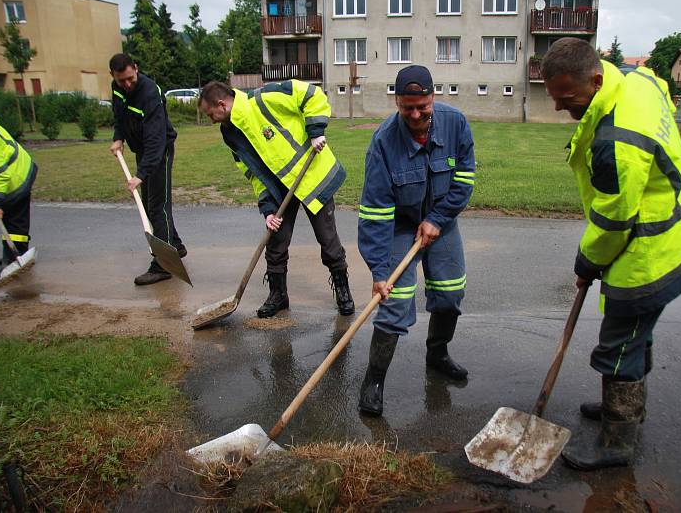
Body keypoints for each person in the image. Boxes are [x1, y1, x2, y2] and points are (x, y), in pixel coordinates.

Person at [540, 38, 681, 470]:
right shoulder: (634, 79)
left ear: (595, 80)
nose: (559, 108)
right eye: (554, 97)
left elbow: (614, 220)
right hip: (670, 223)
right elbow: (662, 90)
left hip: (652, 248)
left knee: (620, 342)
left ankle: (618, 440)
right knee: (636, 336)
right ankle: (626, 405)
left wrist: (587, 262)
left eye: (567, 97)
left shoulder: (615, 142)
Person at [357, 65, 475, 417]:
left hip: (442, 220)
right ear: (397, 102)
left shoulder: (456, 124)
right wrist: (379, 271)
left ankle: (437, 355)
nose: (415, 114)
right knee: (394, 302)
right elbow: (376, 213)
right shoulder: (383, 142)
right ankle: (374, 380)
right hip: (398, 226)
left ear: (432, 98)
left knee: (450, 292)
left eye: (422, 106)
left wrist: (437, 219)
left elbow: (464, 179)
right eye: (407, 107)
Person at [198, 80, 354, 318]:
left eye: (211, 114)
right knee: (276, 244)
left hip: (310, 176)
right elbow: (252, 172)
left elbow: (312, 94)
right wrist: (268, 209)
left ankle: (343, 291)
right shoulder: (229, 133)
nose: (211, 120)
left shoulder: (264, 98)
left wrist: (316, 131)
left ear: (222, 104)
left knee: (328, 240)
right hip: (279, 190)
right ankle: (278, 295)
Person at [108, 53, 186, 285]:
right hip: (142, 151)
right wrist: (118, 137)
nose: (128, 84)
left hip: (159, 151)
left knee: (156, 207)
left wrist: (140, 175)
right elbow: (119, 116)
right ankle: (176, 246)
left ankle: (162, 265)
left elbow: (155, 140)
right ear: (113, 76)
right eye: (122, 80)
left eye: (131, 78)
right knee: (153, 207)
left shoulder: (150, 93)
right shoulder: (118, 88)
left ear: (136, 68)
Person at [0, 117, 37, 282]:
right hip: (13, 170)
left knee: (14, 220)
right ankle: (10, 255)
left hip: (17, 177)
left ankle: (15, 257)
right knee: (9, 219)